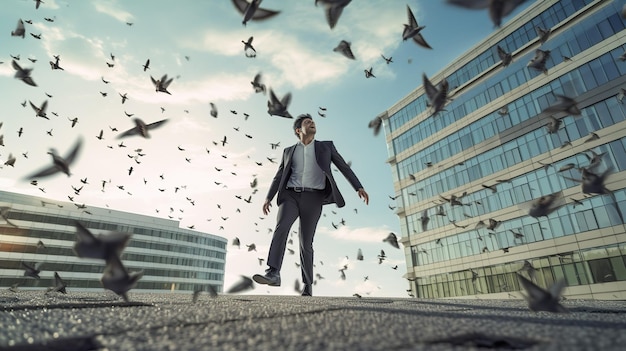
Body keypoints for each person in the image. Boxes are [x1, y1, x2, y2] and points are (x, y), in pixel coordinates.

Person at [253, 114, 369, 296]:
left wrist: (358, 187)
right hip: (290, 196)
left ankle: (307, 285)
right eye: (308, 122)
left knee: (306, 242)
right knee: (281, 227)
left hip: (314, 199)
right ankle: (273, 272)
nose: (312, 123)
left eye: (313, 122)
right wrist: (268, 197)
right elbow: (279, 175)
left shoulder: (326, 147)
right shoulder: (288, 151)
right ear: (298, 130)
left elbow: (344, 167)